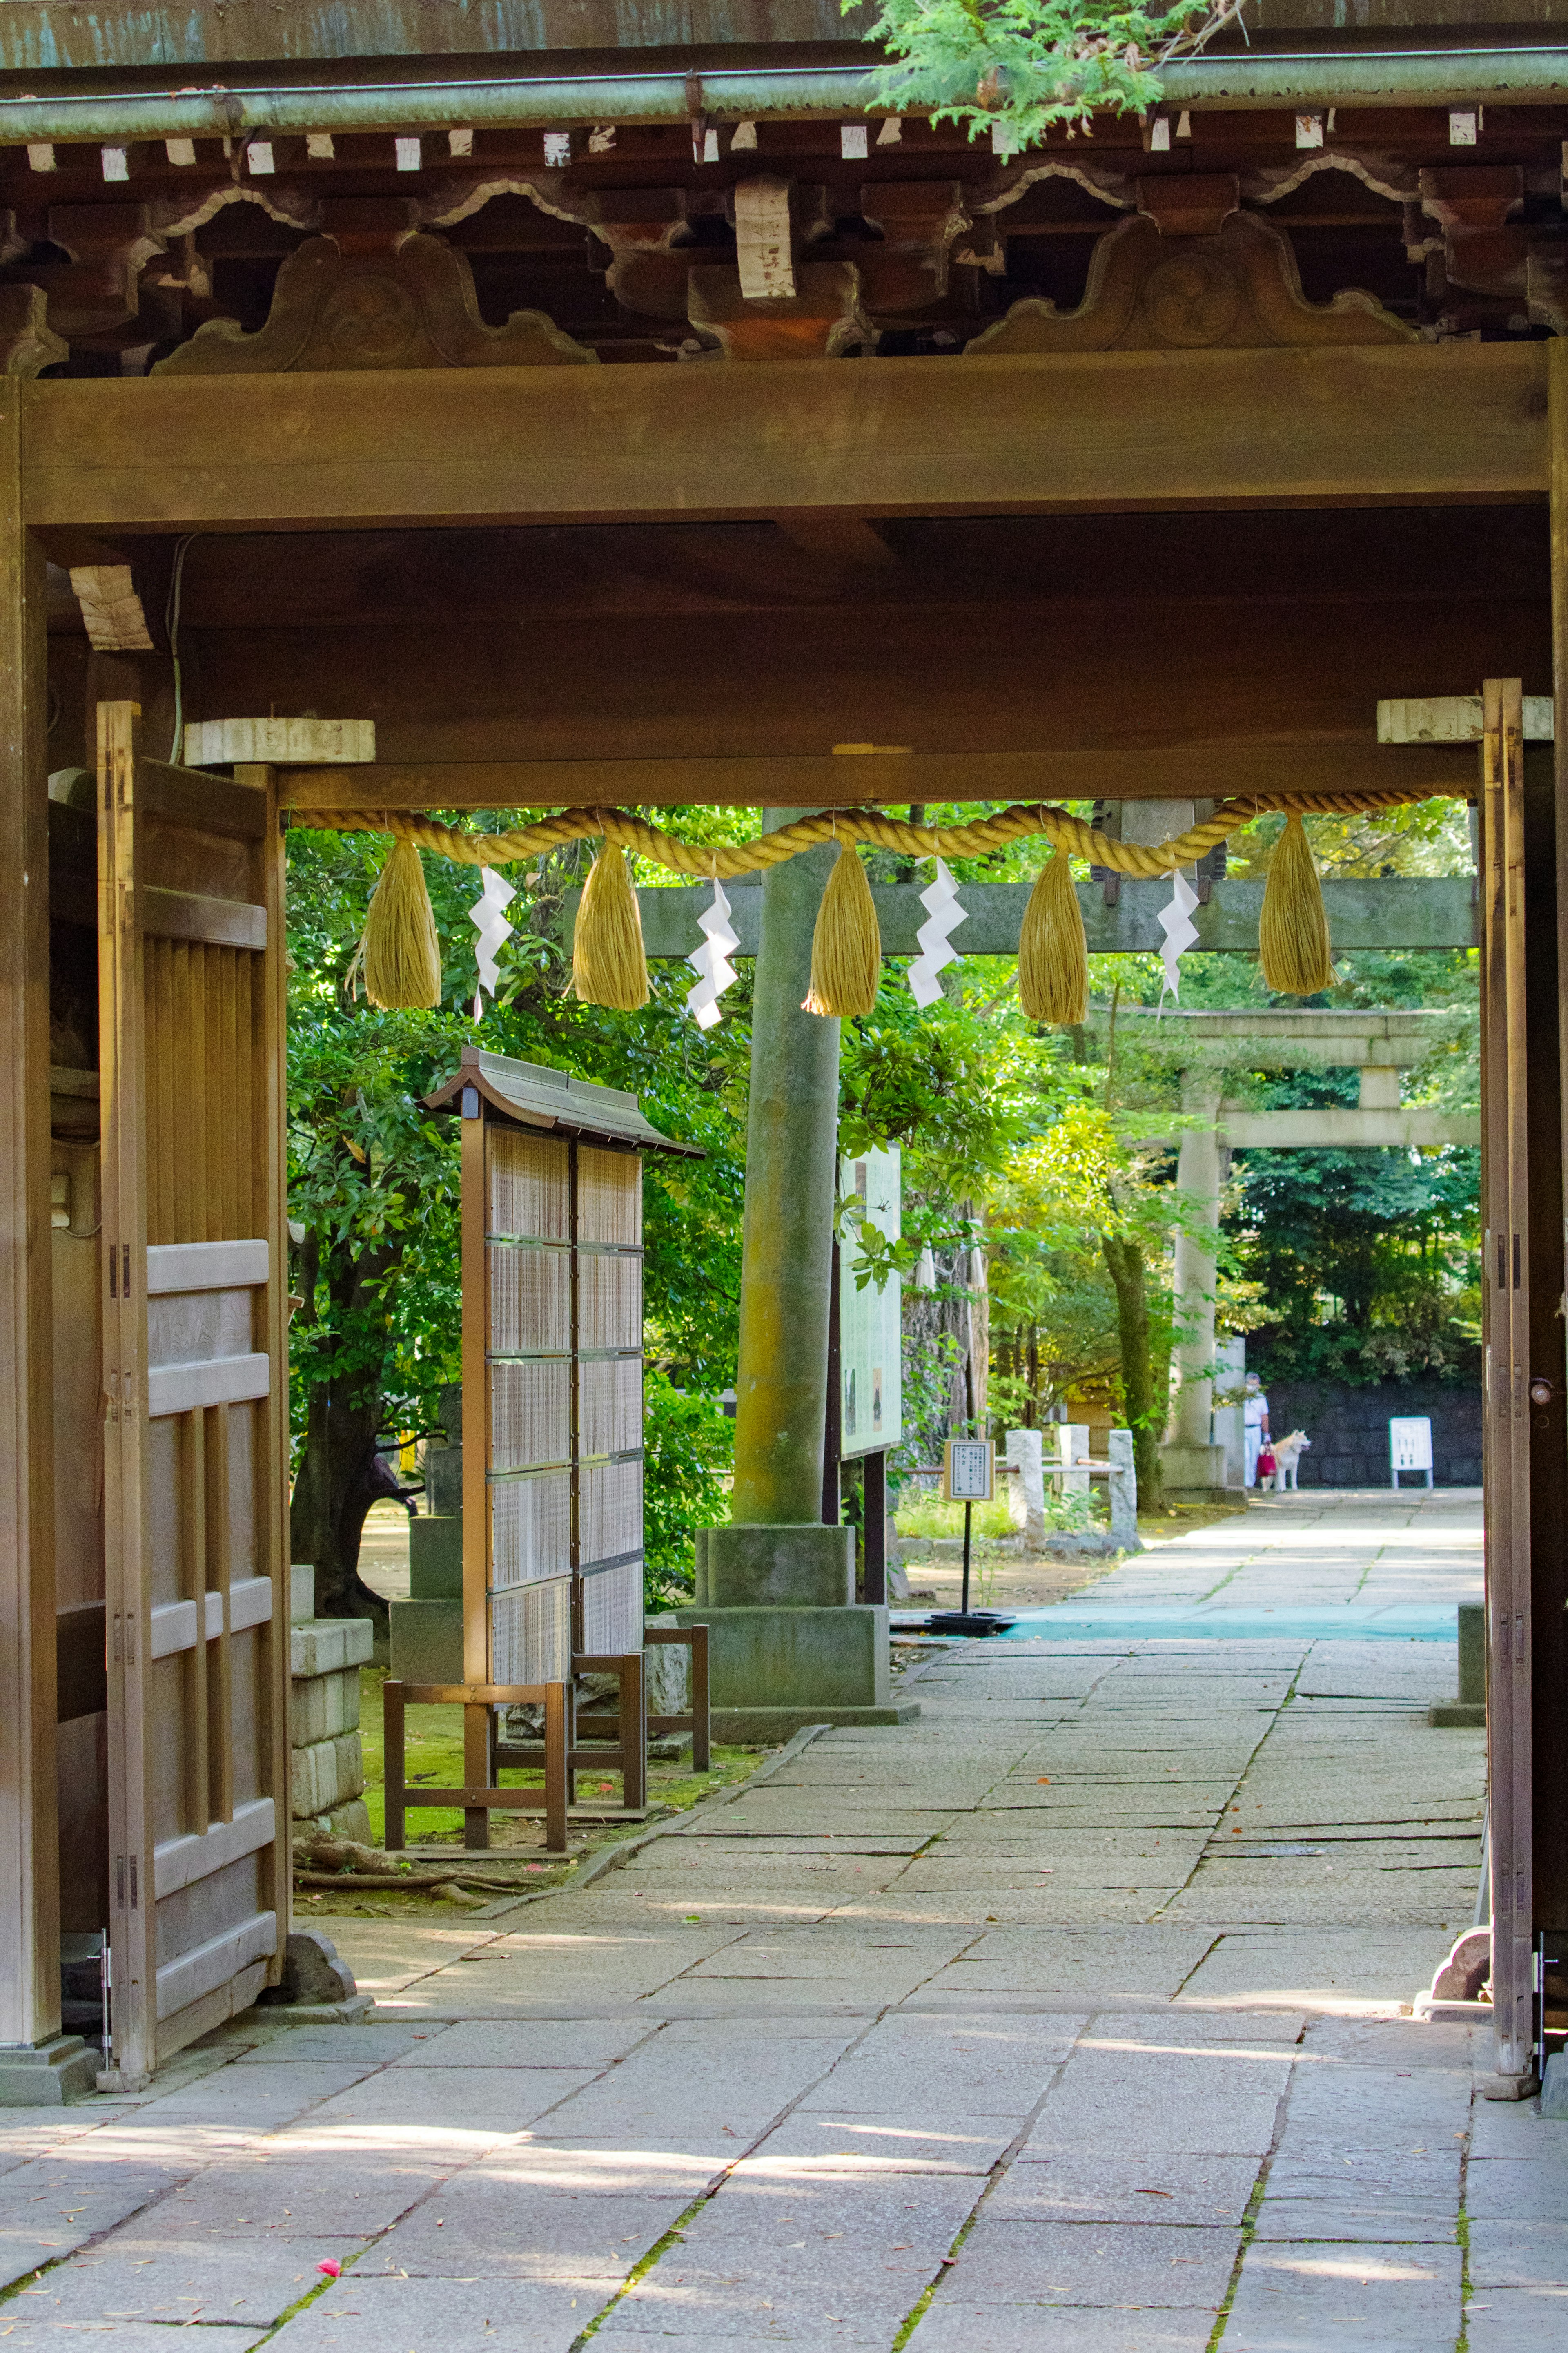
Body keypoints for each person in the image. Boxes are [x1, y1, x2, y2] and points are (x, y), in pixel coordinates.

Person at [1243, 1372, 1271, 1489]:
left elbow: (1264, 1417)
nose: (1253, 1387)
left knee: (1253, 1458)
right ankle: (1244, 1482)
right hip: (1243, 1429)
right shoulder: (1241, 1397)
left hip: (1255, 1430)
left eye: (1256, 1385)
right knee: (1246, 1456)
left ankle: (1250, 1484)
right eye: (1251, 1385)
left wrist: (1266, 1435)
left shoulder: (1261, 1398)